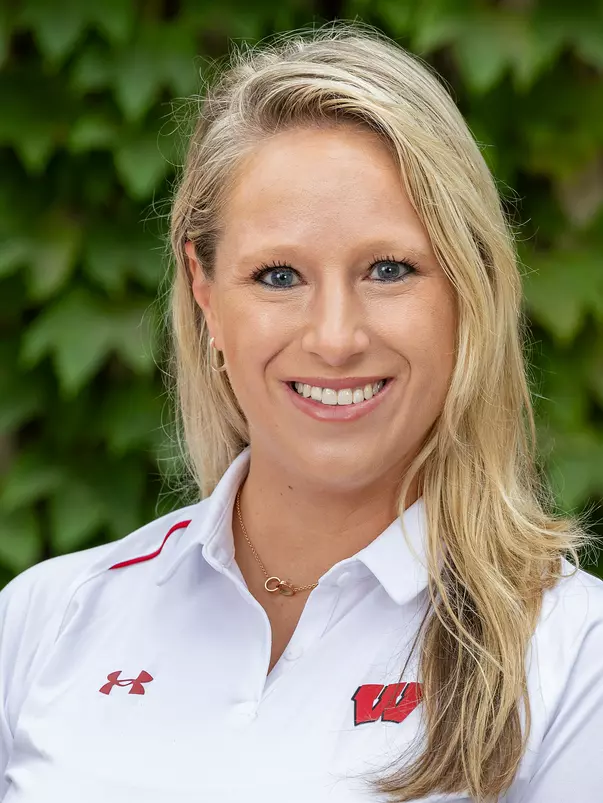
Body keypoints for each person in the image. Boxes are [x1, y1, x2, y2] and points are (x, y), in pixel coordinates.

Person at [1, 22, 602, 803]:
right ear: (205, 290)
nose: (335, 337)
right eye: (279, 276)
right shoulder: (45, 619)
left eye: (389, 269)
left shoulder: (570, 654)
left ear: (467, 288)